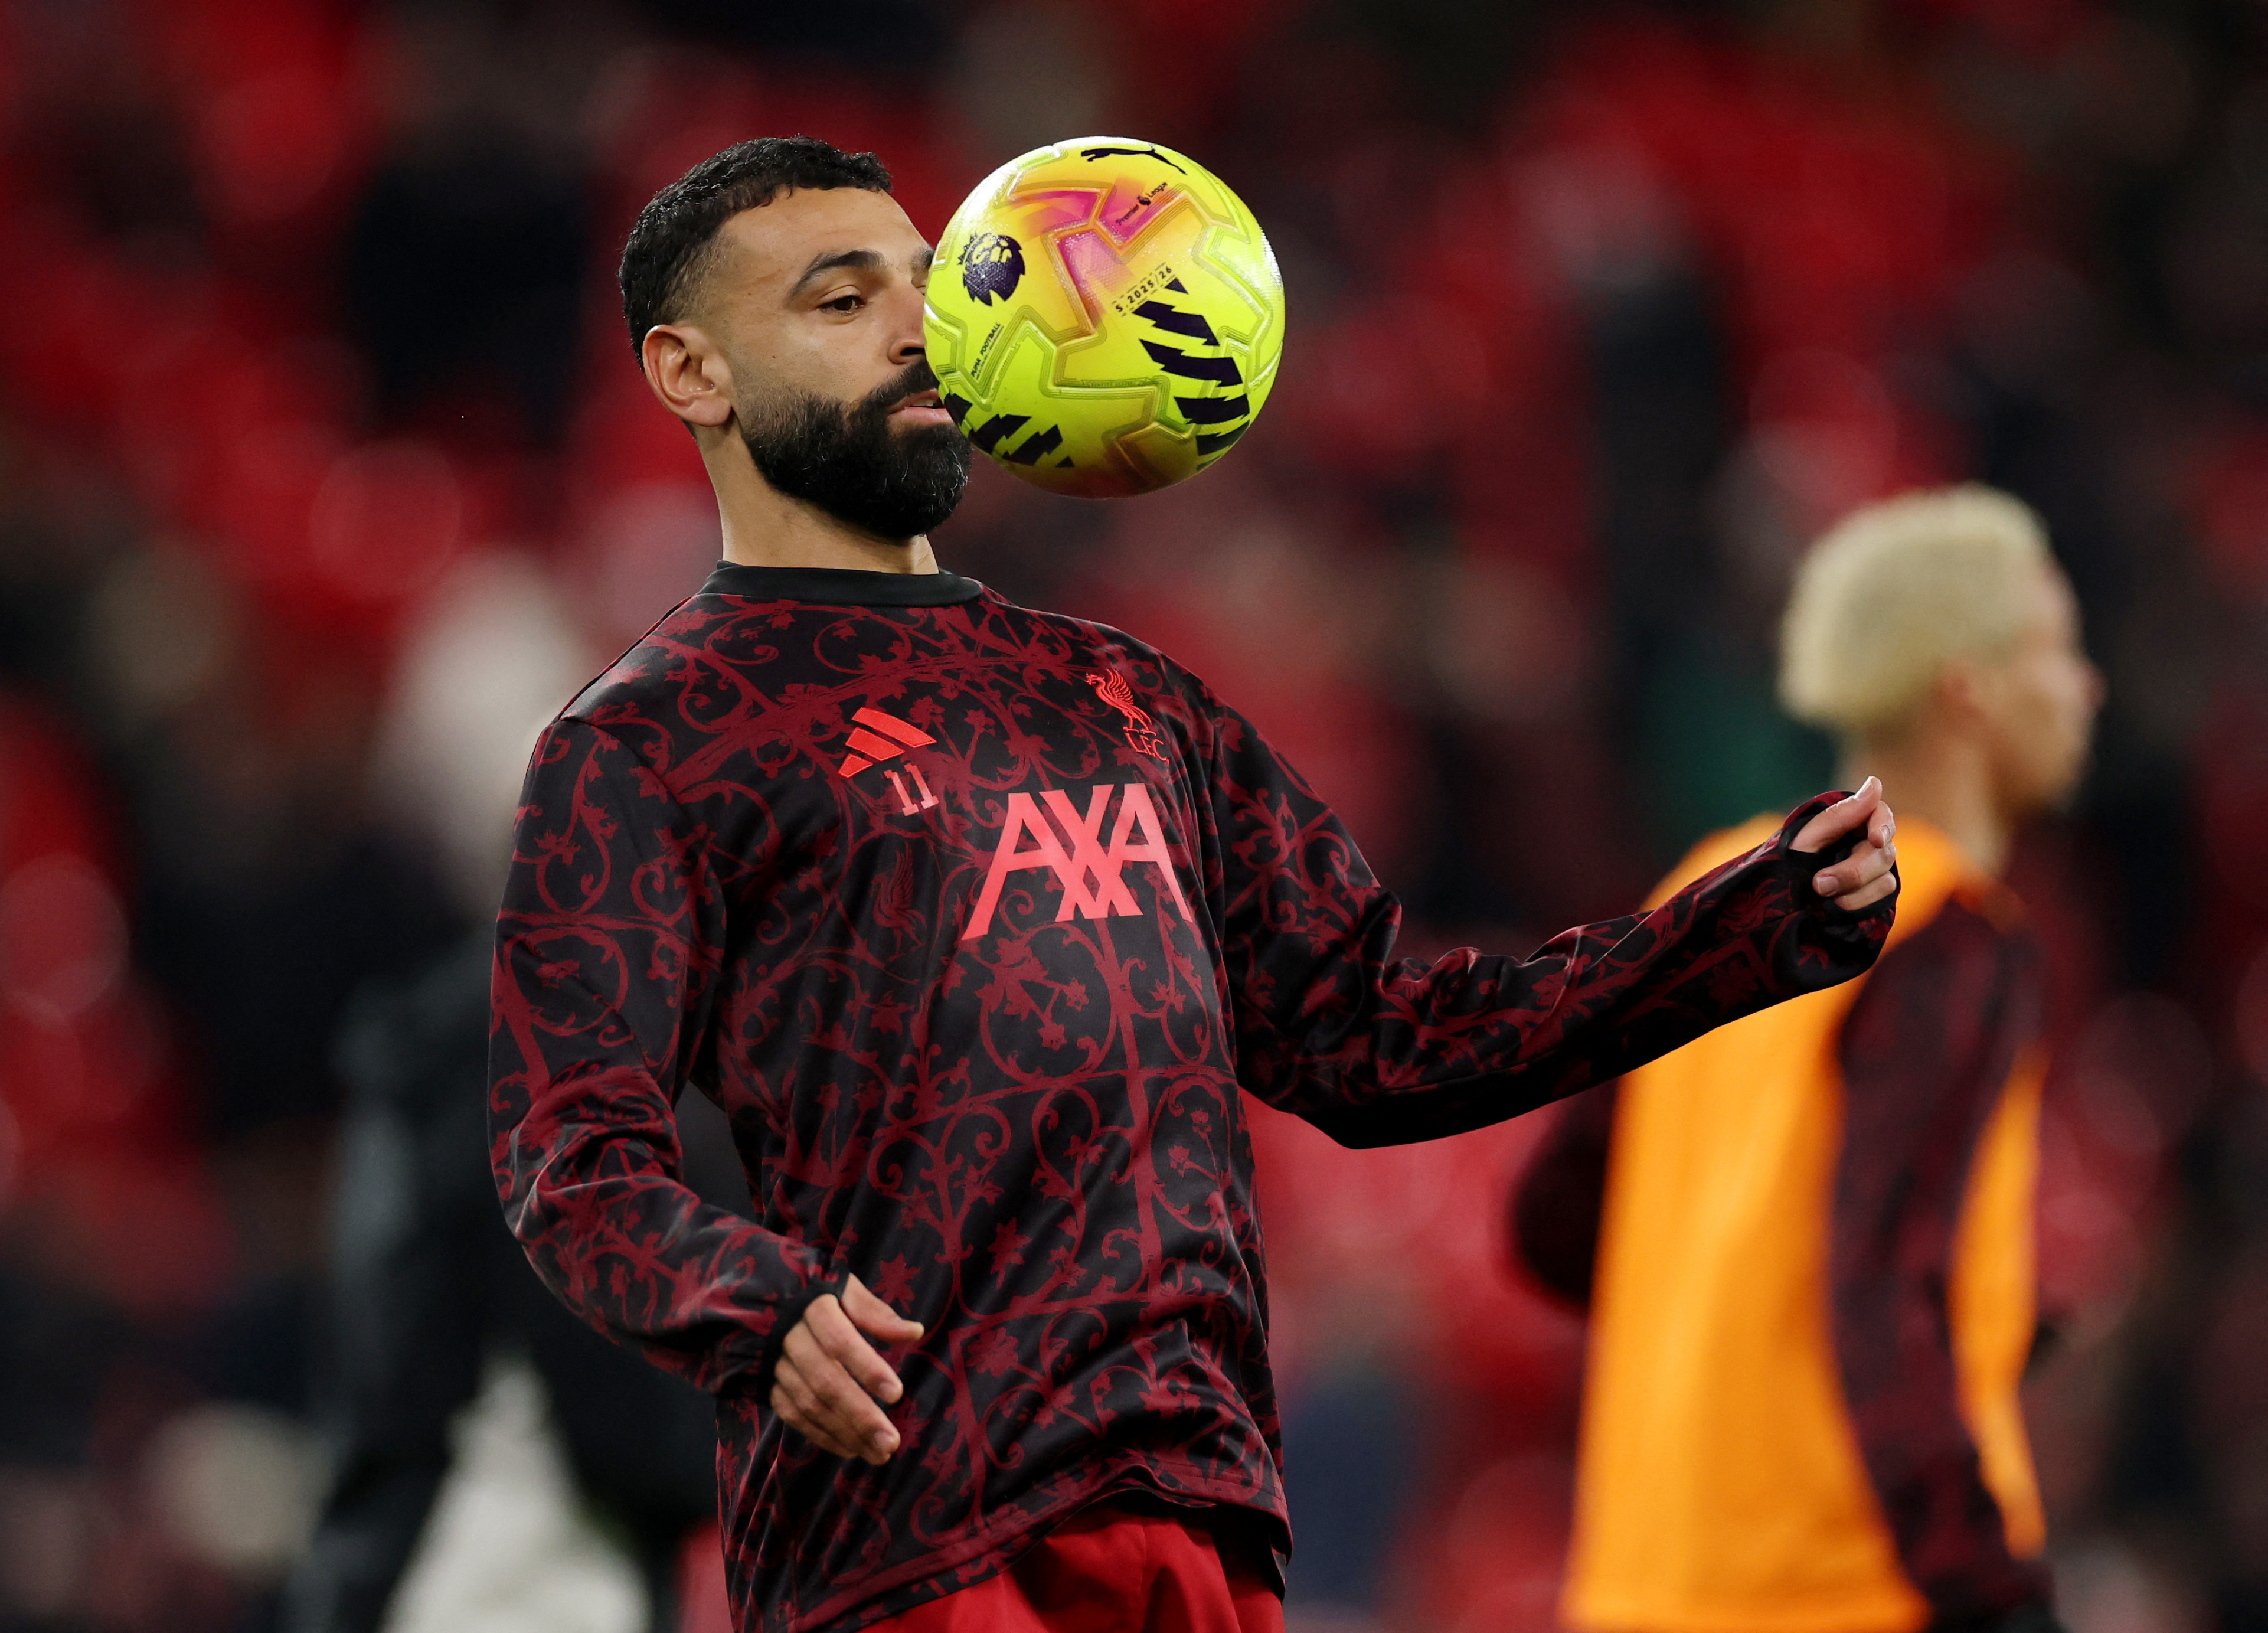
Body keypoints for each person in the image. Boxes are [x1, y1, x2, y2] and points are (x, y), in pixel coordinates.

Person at [490, 135, 1901, 1633]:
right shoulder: (645, 740)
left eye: (929, 284)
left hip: (1200, 1513)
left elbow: (1377, 1034)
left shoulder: (1128, 697)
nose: (920, 328)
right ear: (691, 373)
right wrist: (755, 1308)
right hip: (910, 1540)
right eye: (843, 301)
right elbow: (570, 1158)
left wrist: (1749, 928)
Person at [1514, 486, 2103, 1633]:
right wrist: (1994, 1594)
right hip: (1844, 1593)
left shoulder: (1718, 887)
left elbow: (1550, 1222)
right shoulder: (1944, 937)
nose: (2083, 686)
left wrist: (1727, 1321)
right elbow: (1883, 1290)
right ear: (1967, 689)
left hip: (1640, 1589)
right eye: (2053, 648)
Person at [287, 932, 753, 1633]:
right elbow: (633, 1429)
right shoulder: (561, 1039)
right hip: (518, 1576)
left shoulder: (467, 1020)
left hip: (430, 1556)